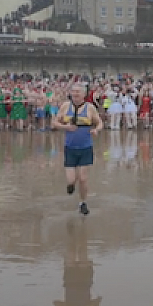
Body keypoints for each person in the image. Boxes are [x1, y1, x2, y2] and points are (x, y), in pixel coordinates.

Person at [52, 84, 103, 216]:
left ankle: (83, 202)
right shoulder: (65, 106)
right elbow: (55, 123)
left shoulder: (90, 108)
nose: (75, 94)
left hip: (86, 147)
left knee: (83, 178)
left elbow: (99, 122)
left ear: (83, 94)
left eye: (78, 92)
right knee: (71, 180)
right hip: (70, 148)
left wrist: (96, 130)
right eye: (73, 91)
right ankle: (71, 186)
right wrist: (66, 127)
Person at [54, 219, 102, 306]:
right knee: (74, 251)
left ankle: (81, 227)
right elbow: (56, 303)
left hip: (82, 282)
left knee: (82, 251)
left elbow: (97, 301)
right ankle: (77, 228)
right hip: (72, 282)